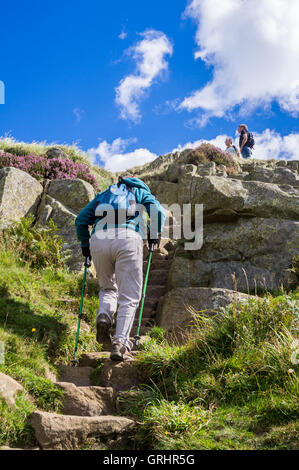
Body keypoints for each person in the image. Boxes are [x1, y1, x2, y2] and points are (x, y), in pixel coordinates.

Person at [75, 175, 166, 361]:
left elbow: (81, 220)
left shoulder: (106, 193)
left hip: (99, 239)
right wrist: (154, 235)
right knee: (130, 295)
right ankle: (120, 342)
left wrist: (86, 245)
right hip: (128, 237)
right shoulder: (140, 192)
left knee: (108, 287)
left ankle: (104, 316)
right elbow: (157, 211)